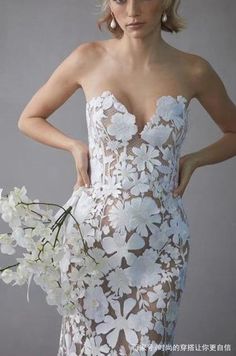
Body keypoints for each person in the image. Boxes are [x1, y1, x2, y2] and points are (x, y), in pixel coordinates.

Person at [17, 0, 236, 355]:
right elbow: (29, 117)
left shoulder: (194, 70)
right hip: (93, 240)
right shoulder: (88, 58)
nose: (132, 9)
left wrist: (195, 160)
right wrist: (74, 146)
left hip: (161, 240)